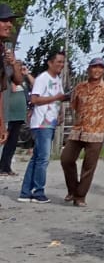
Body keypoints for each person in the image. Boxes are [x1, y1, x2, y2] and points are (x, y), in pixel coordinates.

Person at [60, 56, 104, 206]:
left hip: (96, 132)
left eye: (100, 67)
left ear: (103, 70)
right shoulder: (80, 87)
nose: (97, 70)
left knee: (88, 166)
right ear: (89, 69)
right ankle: (72, 189)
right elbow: (75, 106)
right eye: (94, 67)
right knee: (66, 159)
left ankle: (80, 196)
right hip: (78, 130)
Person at [18, 49, 67, 203]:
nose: (61, 64)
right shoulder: (42, 78)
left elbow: (59, 99)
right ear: (50, 62)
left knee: (37, 158)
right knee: (43, 159)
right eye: (58, 61)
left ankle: (26, 192)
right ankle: (38, 191)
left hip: (50, 121)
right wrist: (55, 98)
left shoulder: (57, 79)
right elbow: (34, 99)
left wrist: (59, 113)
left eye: (62, 62)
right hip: (41, 123)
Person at [0, 3, 23, 165]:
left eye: (11, 21)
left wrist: (13, 63)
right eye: (4, 20)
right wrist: (1, 125)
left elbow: (18, 81)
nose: (9, 24)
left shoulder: (4, 49)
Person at [0, 60, 31, 177]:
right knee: (4, 142)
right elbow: (10, 89)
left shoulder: (23, 82)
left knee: (12, 143)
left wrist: (26, 74)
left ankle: (7, 166)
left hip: (19, 116)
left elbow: (30, 91)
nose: (20, 68)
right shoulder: (8, 78)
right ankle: (1, 167)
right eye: (18, 66)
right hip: (9, 115)